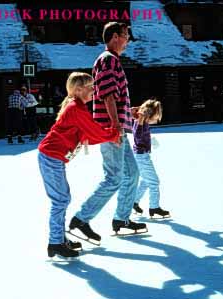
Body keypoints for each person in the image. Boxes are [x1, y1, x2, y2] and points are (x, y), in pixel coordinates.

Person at [69, 22, 147, 245]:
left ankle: (121, 219)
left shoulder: (113, 61)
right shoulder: (107, 60)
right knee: (113, 178)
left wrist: (127, 112)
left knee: (131, 174)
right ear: (114, 37)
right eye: (125, 35)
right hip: (111, 130)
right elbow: (107, 95)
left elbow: (114, 97)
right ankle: (81, 219)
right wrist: (115, 126)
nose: (128, 40)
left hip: (117, 128)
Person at [38, 72, 120, 259]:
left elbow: (87, 135)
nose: (94, 90)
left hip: (54, 158)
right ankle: (55, 243)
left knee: (62, 198)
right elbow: (94, 131)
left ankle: (58, 239)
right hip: (50, 157)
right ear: (78, 89)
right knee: (60, 200)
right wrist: (112, 133)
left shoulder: (79, 107)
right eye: (90, 86)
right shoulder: (75, 108)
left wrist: (109, 134)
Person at [131, 99, 170, 219]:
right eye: (155, 116)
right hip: (141, 156)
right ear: (150, 114)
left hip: (141, 155)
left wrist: (150, 140)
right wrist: (141, 118)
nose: (156, 119)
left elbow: (140, 135)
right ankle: (154, 207)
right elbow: (137, 136)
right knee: (154, 182)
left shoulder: (143, 122)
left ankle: (134, 202)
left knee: (146, 181)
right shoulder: (140, 122)